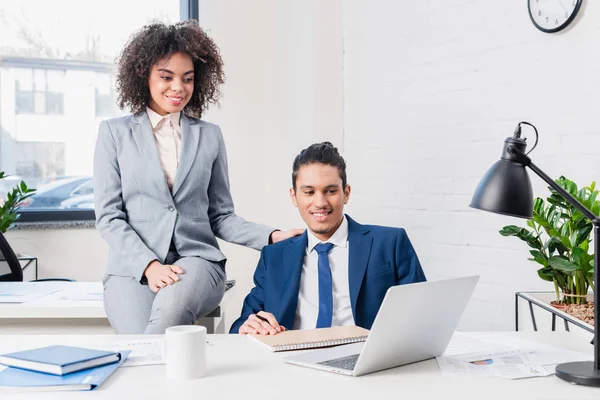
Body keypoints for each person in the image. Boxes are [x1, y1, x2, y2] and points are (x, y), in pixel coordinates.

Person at [93, 21, 301, 334]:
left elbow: (221, 216)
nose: (178, 88)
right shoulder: (114, 134)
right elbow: (109, 217)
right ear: (143, 75)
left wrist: (270, 237)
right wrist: (149, 266)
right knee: (139, 346)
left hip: (198, 261)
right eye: (167, 77)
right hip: (132, 269)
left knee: (164, 324)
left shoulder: (210, 137)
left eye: (187, 79)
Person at [230, 142, 426, 334]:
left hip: (365, 359)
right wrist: (247, 328)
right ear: (294, 196)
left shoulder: (390, 243)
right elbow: (241, 325)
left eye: (330, 191)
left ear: (346, 193)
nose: (320, 203)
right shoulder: (273, 256)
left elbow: (423, 316)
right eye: (309, 192)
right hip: (293, 359)